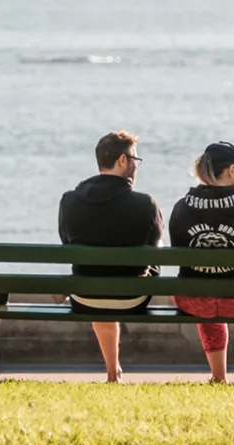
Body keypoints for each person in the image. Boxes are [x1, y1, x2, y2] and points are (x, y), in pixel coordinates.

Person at [168, 141, 234, 383]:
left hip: (194, 301)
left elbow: (179, 251)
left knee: (206, 287)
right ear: (231, 170)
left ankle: (218, 375)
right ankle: (219, 376)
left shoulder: (181, 208)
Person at [57, 131, 161, 382]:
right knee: (148, 261)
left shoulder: (69, 200)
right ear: (123, 160)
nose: (136, 166)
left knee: (96, 276)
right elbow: (154, 249)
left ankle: (113, 370)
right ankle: (114, 371)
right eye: (136, 160)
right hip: (132, 299)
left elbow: (66, 242)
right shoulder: (145, 204)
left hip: (85, 297)